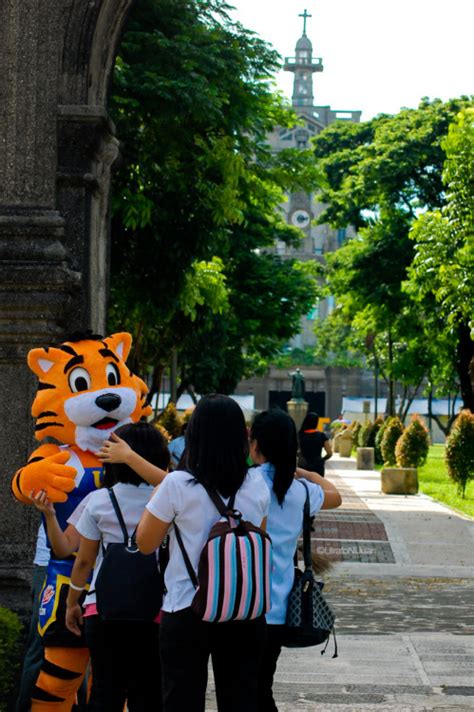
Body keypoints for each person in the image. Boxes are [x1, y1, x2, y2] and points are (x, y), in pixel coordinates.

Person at [136, 394, 270, 712]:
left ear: (194, 435)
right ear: (242, 436)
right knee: (240, 701)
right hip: (244, 609)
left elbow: (144, 543)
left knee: (181, 700)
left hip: (186, 607)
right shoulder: (256, 484)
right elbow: (257, 536)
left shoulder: (177, 484)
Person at [61, 423, 169, 712]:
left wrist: (73, 603)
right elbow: (172, 482)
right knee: (147, 694)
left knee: (105, 693)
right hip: (156, 609)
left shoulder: (98, 501)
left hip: (103, 609)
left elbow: (84, 561)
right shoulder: (168, 498)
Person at [249, 409, 342, 712]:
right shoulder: (301, 490)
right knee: (263, 684)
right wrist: (305, 472)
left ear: (255, 444)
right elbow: (335, 496)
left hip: (242, 604)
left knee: (244, 688)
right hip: (279, 606)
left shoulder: (245, 483)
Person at [298, 411, 333, 477]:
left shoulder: (299, 435)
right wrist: (323, 459)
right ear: (316, 422)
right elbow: (329, 453)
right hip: (318, 466)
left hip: (303, 465)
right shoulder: (321, 435)